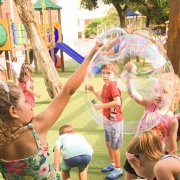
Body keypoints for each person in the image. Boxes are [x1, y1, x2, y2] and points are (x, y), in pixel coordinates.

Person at [0, 41, 103, 180]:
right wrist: (90, 57)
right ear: (13, 111)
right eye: (25, 101)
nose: (30, 106)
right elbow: (67, 91)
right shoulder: (36, 128)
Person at [122, 62, 180, 180]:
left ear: (175, 95)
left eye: (163, 91)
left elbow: (172, 146)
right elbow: (132, 94)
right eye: (155, 90)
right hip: (137, 151)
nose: (157, 95)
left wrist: (171, 161)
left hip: (153, 158)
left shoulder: (172, 120)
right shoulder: (149, 105)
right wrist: (128, 78)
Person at [86, 61, 124, 179]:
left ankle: (118, 169)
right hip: (107, 120)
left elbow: (117, 102)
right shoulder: (106, 85)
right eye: (103, 73)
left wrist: (101, 107)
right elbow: (103, 98)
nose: (105, 75)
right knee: (108, 143)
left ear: (115, 75)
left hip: (115, 121)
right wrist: (93, 90)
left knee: (114, 146)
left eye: (109, 73)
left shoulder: (113, 85)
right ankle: (112, 163)